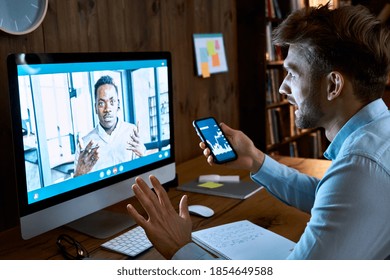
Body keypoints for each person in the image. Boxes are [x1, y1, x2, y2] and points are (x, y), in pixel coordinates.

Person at [126, 4, 390, 259]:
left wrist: (179, 248)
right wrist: (256, 160)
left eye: (293, 74)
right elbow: (330, 196)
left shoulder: (360, 166)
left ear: (333, 86)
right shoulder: (378, 134)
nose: (283, 88)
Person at [74, 75, 146, 176]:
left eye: (112, 102)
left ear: (118, 105)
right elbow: (77, 187)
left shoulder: (132, 132)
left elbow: (145, 175)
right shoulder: (85, 145)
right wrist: (78, 174)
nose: (107, 109)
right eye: (101, 103)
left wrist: (143, 155)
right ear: (95, 108)